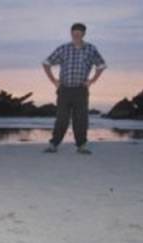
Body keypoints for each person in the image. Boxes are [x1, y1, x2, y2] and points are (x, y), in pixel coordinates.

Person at [42, 23, 107, 154]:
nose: (76, 35)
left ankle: (81, 146)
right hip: (64, 89)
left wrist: (92, 80)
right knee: (62, 118)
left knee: (81, 119)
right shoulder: (64, 48)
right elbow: (46, 63)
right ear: (71, 33)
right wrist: (54, 80)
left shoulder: (90, 49)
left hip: (81, 90)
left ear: (83, 34)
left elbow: (101, 65)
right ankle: (53, 144)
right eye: (74, 33)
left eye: (79, 33)